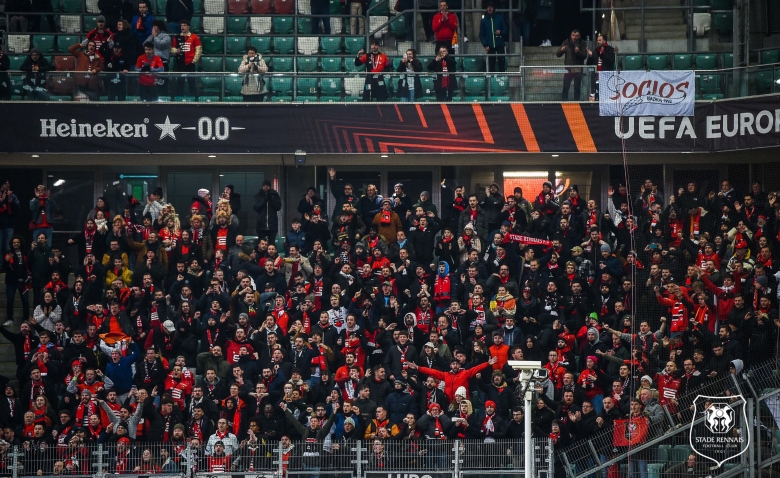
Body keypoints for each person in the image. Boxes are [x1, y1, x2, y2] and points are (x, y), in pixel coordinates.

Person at [171, 19, 202, 99]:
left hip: (190, 63)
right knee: (180, 82)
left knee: (191, 82)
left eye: (184, 25)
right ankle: (179, 99)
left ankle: (194, 99)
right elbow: (172, 48)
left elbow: (198, 49)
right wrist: (175, 51)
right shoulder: (177, 37)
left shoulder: (194, 37)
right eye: (181, 25)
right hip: (180, 63)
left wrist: (194, 60)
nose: (182, 27)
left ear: (188, 27)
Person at [556, 29, 587, 101]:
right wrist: (562, 50)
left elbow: (584, 55)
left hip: (578, 69)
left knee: (577, 88)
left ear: (579, 36)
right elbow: (557, 54)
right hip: (568, 69)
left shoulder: (582, 43)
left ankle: (577, 103)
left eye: (576, 36)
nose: (574, 37)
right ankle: (564, 102)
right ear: (571, 35)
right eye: (573, 35)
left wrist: (578, 52)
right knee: (566, 87)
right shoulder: (566, 42)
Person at [479, 3, 508, 72]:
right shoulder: (483, 21)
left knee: (501, 63)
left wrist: (500, 32)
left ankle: (502, 78)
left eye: (491, 7)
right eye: (488, 7)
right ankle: (492, 80)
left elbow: (505, 30)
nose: (489, 9)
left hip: (500, 44)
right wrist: (485, 45)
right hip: (490, 46)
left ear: (494, 8)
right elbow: (481, 35)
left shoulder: (500, 18)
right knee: (491, 65)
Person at [586, 33, 615, 100]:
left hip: (607, 74)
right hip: (596, 75)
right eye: (597, 40)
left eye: (599, 40)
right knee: (595, 90)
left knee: (606, 91)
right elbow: (588, 64)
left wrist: (603, 54)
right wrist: (590, 56)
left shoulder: (611, 49)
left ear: (604, 41)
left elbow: (611, 61)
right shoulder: (595, 50)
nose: (598, 42)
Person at [254, 180, 282, 246]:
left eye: (267, 185)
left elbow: (278, 207)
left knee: (272, 244)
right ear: (262, 187)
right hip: (261, 225)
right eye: (264, 186)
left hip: (272, 225)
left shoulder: (275, 195)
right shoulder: (258, 195)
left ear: (270, 186)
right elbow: (256, 207)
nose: (266, 187)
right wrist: (264, 200)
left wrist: (271, 199)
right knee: (262, 245)